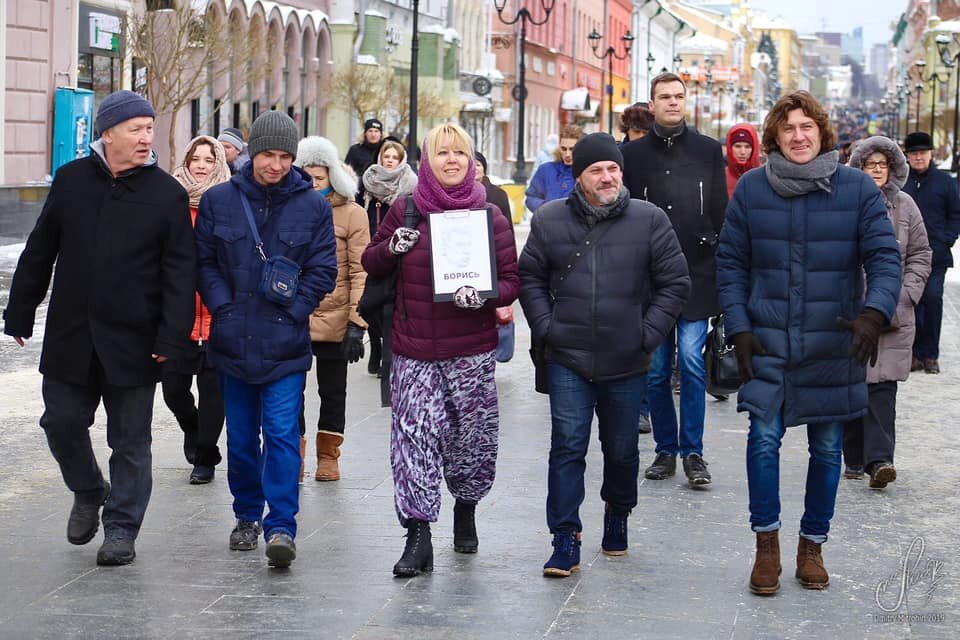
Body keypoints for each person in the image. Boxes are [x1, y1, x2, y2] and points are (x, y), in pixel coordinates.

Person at [716, 91, 901, 596]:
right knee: (763, 442)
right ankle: (766, 545)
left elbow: (885, 257)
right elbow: (730, 263)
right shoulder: (753, 190)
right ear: (774, 135)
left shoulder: (857, 189)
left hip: (834, 341)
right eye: (788, 128)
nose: (799, 136)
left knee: (827, 448)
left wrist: (873, 312)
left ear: (822, 133)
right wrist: (740, 327)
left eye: (807, 127)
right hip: (769, 340)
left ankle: (812, 544)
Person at [2, 90, 196, 566]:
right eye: (136, 129)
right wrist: (20, 310)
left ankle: (122, 529)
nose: (146, 138)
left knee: (131, 440)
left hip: (135, 340)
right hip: (72, 334)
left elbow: (180, 273)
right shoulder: (71, 181)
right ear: (107, 133)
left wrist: (172, 336)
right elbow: (40, 247)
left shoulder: (165, 194)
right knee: (61, 422)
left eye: (150, 129)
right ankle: (89, 489)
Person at [519, 133, 690, 577]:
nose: (608, 176)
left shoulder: (649, 219)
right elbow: (530, 278)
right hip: (568, 357)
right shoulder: (550, 220)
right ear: (579, 178)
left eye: (613, 168)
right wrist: (546, 327)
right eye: (597, 170)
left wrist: (646, 334)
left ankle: (618, 514)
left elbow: (675, 284)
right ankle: (564, 536)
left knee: (621, 450)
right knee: (567, 447)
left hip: (626, 358)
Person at [361, 123, 519, 578]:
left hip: (470, 348)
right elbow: (372, 261)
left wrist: (486, 296)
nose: (451, 160)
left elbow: (511, 279)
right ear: (426, 161)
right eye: (441, 153)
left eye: (460, 153)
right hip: (414, 347)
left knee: (471, 440)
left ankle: (465, 507)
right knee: (413, 440)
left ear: (471, 162)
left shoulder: (490, 216)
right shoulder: (405, 209)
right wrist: (392, 246)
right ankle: (417, 535)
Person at [195, 111, 338, 568]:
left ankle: (282, 526)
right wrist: (222, 306)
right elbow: (204, 263)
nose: (275, 165)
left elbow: (324, 270)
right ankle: (246, 514)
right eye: (267, 154)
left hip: (285, 344)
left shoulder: (313, 205)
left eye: (284, 156)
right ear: (253, 151)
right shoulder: (220, 200)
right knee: (239, 438)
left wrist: (295, 313)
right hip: (232, 340)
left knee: (280, 433)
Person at [622, 72, 728, 488]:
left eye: (678, 96)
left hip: (698, 271)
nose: (672, 102)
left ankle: (693, 452)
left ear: (687, 101)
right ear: (652, 105)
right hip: (648, 277)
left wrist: (723, 271)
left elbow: (720, 209)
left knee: (690, 363)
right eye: (664, 97)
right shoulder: (633, 153)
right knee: (655, 370)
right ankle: (665, 449)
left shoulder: (706, 149)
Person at [843, 137, 931, 488]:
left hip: (894, 314)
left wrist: (906, 295)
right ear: (860, 167)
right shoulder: (846, 203)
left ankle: (880, 461)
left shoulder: (906, 206)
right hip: (854, 313)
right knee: (853, 386)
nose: (877, 169)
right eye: (870, 164)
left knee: (882, 390)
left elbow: (921, 255)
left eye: (883, 164)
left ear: (893, 168)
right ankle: (853, 457)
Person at [294, 136, 370, 482]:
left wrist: (357, 322)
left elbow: (360, 269)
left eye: (320, 177)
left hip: (336, 317)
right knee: (289, 390)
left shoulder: (353, 214)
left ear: (332, 178)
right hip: (293, 314)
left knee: (332, 390)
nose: (313, 184)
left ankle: (328, 454)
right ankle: (291, 453)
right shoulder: (288, 209)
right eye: (306, 176)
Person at [166, 135, 233, 484]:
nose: (202, 165)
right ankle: (192, 430)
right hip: (179, 316)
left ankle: (205, 457)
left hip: (218, 315)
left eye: (209, 159)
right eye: (196, 158)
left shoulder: (230, 201)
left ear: (218, 163)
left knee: (213, 396)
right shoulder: (171, 199)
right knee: (173, 390)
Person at [361, 139, 418, 399]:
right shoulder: (369, 181)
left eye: (395, 157)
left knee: (389, 304)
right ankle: (375, 346)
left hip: (398, 250)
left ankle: (387, 354)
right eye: (387, 156)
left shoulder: (409, 185)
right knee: (370, 303)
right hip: (373, 248)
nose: (390, 160)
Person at [902, 131, 960, 374]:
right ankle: (913, 353)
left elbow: (956, 214)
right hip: (907, 256)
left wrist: (948, 238)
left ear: (931, 154)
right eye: (914, 153)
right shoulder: (902, 181)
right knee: (910, 303)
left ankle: (930, 354)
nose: (918, 158)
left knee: (933, 300)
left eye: (922, 153)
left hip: (936, 254)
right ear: (907, 156)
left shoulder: (945, 182)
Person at [525, 125, 583, 213]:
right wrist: (545, 208)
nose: (567, 154)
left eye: (572, 149)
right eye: (563, 149)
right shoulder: (546, 170)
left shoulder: (587, 173)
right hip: (548, 223)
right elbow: (531, 197)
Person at [474, 151, 512, 226]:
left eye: (478, 165)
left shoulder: (499, 194)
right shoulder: (459, 193)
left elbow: (507, 224)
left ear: (484, 169)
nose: (475, 169)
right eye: (470, 165)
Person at [725, 123, 761, 198]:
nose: (742, 152)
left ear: (754, 149)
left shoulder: (766, 176)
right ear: (730, 148)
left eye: (747, 147)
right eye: (737, 146)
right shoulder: (721, 176)